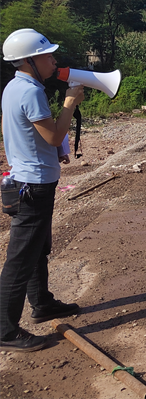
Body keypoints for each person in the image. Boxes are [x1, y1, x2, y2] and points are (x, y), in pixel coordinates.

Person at [0, 29, 83, 352]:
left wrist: (53, 150)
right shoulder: (31, 91)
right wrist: (70, 103)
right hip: (33, 185)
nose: (53, 61)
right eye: (47, 56)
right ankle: (5, 331)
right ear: (29, 61)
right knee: (20, 259)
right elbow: (52, 135)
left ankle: (42, 303)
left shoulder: (15, 87)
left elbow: (31, 134)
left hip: (28, 180)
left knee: (36, 248)